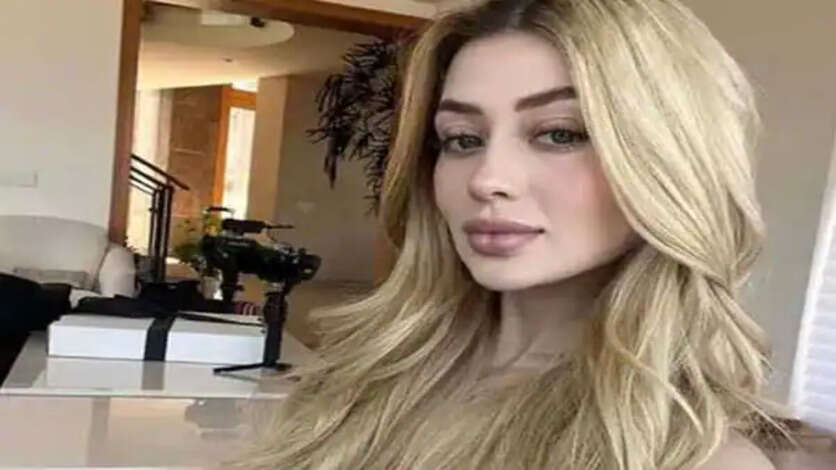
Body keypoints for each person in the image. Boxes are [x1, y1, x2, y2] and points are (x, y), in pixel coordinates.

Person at [231, 0, 787, 468]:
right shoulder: (364, 378)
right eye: (462, 139)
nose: (487, 179)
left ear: (672, 161)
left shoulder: (693, 458)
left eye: (560, 134)